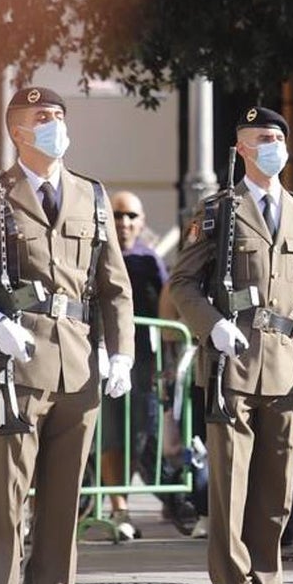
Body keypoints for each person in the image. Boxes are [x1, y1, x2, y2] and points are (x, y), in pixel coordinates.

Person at [0, 87, 135, 584]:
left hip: (78, 368)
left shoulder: (92, 196)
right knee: (4, 499)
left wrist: (121, 355)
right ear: (19, 132)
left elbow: (114, 288)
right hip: (14, 369)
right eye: (43, 119)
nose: (56, 126)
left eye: (59, 117)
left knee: (62, 503)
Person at [169, 106, 293, 584]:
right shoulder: (218, 211)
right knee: (232, 483)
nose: (272, 145)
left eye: (277, 137)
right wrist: (211, 325)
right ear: (241, 149)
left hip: (285, 363)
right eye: (260, 138)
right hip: (232, 362)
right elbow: (182, 283)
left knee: (277, 483)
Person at [89, 191, 166, 540]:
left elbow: (168, 306)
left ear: (142, 221)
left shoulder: (150, 260)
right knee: (109, 434)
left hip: (143, 363)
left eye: (131, 216)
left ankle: (121, 497)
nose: (124, 223)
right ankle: (118, 506)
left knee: (139, 433)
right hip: (103, 356)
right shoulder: (96, 250)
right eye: (118, 216)